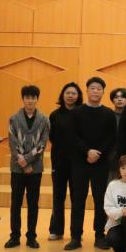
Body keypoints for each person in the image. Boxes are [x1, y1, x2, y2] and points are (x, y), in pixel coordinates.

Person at [67, 76, 117, 251]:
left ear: (103, 92)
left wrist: (98, 153)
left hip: (100, 163)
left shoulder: (108, 114)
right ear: (87, 90)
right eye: (92, 88)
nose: (95, 91)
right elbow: (72, 136)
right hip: (80, 162)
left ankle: (99, 236)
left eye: (99, 89)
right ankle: (75, 236)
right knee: (78, 199)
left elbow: (112, 137)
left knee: (100, 199)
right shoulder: (76, 112)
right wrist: (87, 151)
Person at [5, 84, 50, 249]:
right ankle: (14, 236)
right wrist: (22, 162)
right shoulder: (14, 119)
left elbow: (42, 143)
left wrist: (28, 160)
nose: (30, 100)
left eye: (33, 97)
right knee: (16, 202)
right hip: (17, 168)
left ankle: (31, 236)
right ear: (22, 99)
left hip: (35, 168)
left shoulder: (44, 120)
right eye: (27, 97)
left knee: (33, 203)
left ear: (37, 99)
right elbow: (12, 142)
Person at [48, 82, 81, 243]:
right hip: (59, 161)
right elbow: (52, 137)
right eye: (67, 93)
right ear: (62, 95)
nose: (70, 96)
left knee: (77, 198)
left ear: (78, 96)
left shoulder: (82, 113)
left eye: (73, 93)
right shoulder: (55, 115)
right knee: (58, 196)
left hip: (78, 162)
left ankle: (76, 233)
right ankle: (56, 230)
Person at [107, 87, 126, 179]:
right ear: (112, 100)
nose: (119, 99)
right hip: (112, 155)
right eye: (116, 97)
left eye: (122, 97)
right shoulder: (109, 116)